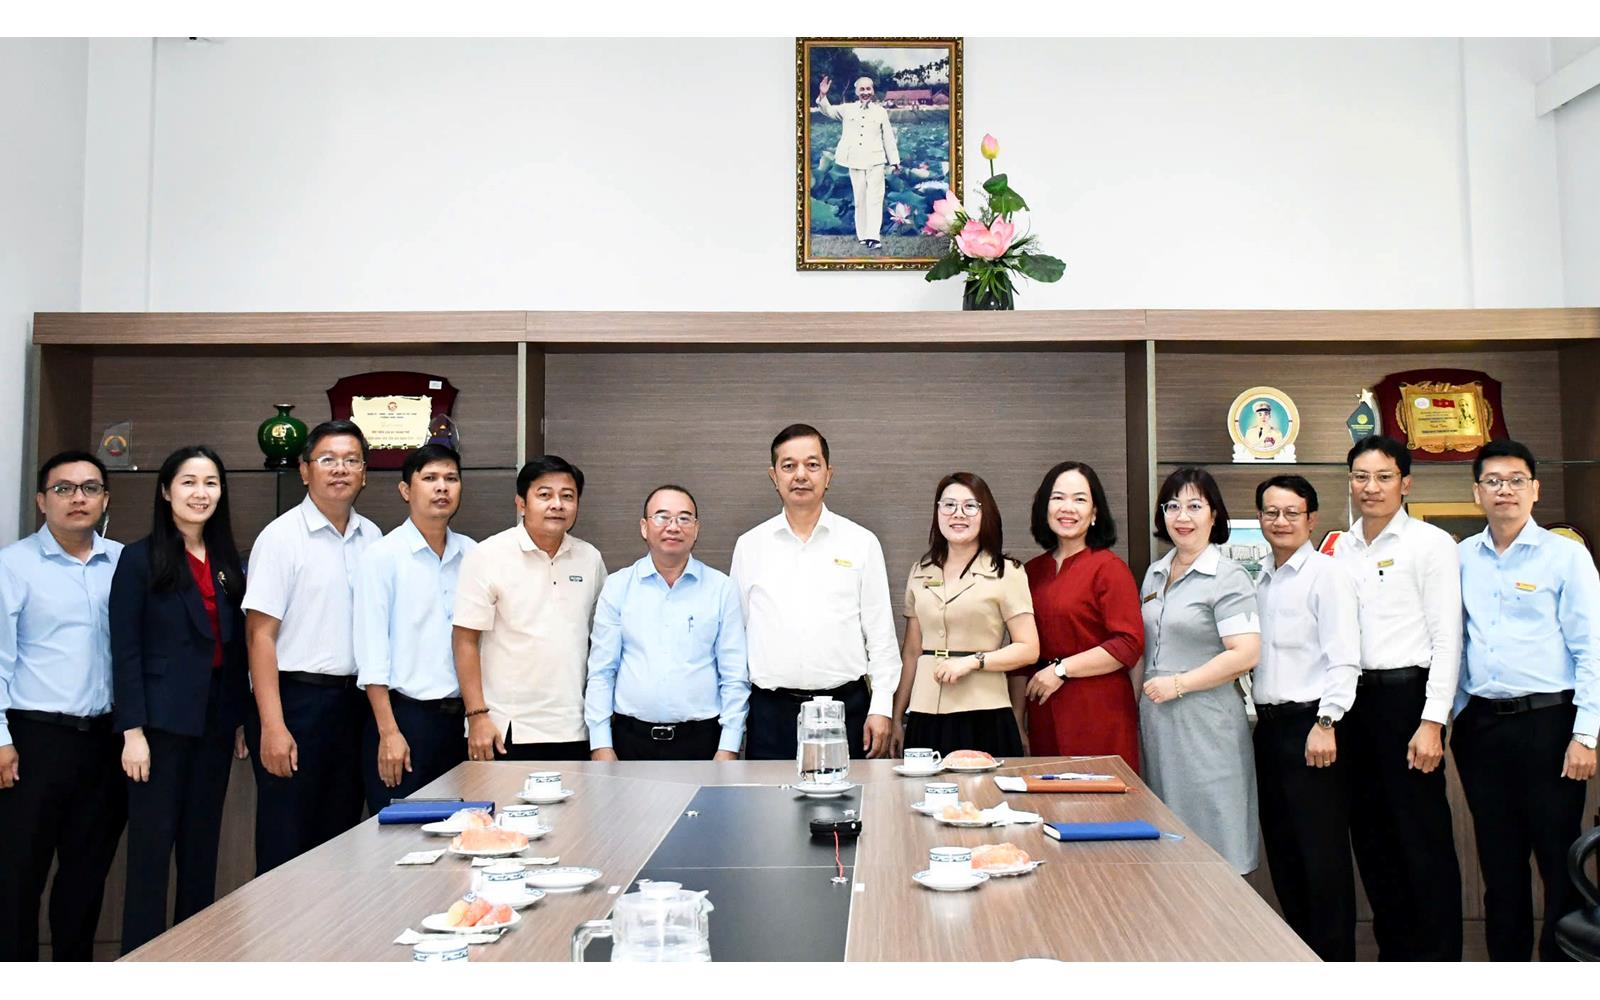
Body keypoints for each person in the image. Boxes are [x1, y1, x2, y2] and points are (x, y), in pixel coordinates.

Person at [1453, 439, 1599, 962]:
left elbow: (1591, 648)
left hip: (1550, 726)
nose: (1505, 490)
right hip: (1482, 729)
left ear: (1535, 489)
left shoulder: (1566, 556)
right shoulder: (1460, 558)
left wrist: (1586, 734)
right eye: (1493, 481)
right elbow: (1454, 641)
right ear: (1477, 492)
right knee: (1499, 864)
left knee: (1558, 861)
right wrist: (1453, 714)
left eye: (1516, 480)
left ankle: (1560, 976)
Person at [110, 445, 249, 954]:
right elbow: (125, 650)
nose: (200, 493)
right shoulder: (138, 558)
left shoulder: (227, 561)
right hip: (158, 728)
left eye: (210, 482)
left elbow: (235, 648)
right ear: (166, 491)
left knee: (200, 851)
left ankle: (196, 958)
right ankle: (142, 962)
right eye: (188, 482)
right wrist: (132, 731)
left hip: (214, 723)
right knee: (150, 856)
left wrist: (239, 718)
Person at [1332, 435, 1463, 960]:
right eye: (1361, 477)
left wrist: (1433, 721)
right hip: (1355, 706)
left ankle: (1438, 965)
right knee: (1373, 839)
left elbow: (1448, 638)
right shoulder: (1341, 546)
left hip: (1409, 703)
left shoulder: (1431, 543)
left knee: (1421, 840)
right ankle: (1395, 961)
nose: (1372, 487)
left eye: (1384, 477)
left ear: (1405, 483)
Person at [0, 453, 125, 962]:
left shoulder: (125, 563)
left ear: (105, 499)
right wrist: (1, 740)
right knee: (18, 878)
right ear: (41, 500)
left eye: (90, 488)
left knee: (86, 878)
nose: (78, 498)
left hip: (105, 743)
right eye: (64, 489)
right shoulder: (13, 565)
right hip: (34, 741)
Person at [242, 420, 381, 875]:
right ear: (304, 471)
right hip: (295, 705)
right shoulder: (280, 538)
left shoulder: (373, 538)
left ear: (364, 473)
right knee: (287, 842)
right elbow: (259, 636)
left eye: (351, 460)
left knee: (340, 843)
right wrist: (272, 726)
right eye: (327, 459)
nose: (340, 469)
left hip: (353, 707)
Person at [730, 424, 899, 761]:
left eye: (812, 464)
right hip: (770, 714)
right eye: (788, 465)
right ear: (774, 476)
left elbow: (881, 635)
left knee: (847, 796)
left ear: (828, 474)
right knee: (768, 797)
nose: (800, 475)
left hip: (846, 709)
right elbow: (736, 639)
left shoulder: (861, 542)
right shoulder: (750, 546)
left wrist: (881, 707)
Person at [1250, 475, 1360, 962]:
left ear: (1311, 519)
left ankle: (1334, 969)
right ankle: (1302, 963)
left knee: (1322, 859)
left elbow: (1345, 658)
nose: (1281, 521)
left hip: (1314, 729)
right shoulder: (1258, 579)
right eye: (1271, 512)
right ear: (1260, 518)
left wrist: (1327, 722)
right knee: (1285, 854)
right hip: (1268, 730)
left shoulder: (1327, 575)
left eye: (1292, 512)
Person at [1138, 467, 1262, 875]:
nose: (1182, 517)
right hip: (1159, 723)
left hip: (1207, 722)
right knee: (1167, 840)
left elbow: (1245, 653)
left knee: (1216, 835)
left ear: (1214, 514)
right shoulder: (1155, 573)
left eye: (1194, 506)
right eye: (1172, 506)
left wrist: (1179, 684)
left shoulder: (1228, 577)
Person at [453, 456, 605, 762]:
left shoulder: (589, 559)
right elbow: (464, 640)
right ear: (522, 503)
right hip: (507, 728)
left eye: (567, 496)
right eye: (545, 495)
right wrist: (477, 715)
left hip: (573, 727)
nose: (557, 504)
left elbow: (599, 641)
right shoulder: (487, 555)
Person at [354, 444, 476, 814]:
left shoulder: (473, 555)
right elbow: (372, 652)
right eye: (430, 478)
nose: (442, 487)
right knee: (401, 835)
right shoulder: (382, 556)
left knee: (462, 833)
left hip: (461, 723)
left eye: (451, 478)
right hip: (405, 721)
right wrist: (389, 732)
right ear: (406, 490)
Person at [585, 485, 748, 762]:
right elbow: (602, 671)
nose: (673, 527)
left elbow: (734, 676)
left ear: (696, 529)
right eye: (662, 517)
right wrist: (600, 744)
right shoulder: (618, 586)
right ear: (644, 527)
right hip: (630, 741)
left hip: (702, 741)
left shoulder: (721, 588)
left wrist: (729, 746)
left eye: (684, 518)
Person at [890, 473, 1037, 757]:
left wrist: (972, 662)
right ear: (937, 512)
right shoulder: (920, 571)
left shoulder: (1007, 572)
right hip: (925, 710)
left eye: (970, 506)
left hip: (984, 711)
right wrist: (897, 716)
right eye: (949, 505)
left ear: (986, 514)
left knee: (983, 786)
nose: (958, 514)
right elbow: (911, 652)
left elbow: (1028, 649)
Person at [1019, 461, 1145, 770]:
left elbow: (1128, 643)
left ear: (1094, 512)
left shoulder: (1109, 568)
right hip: (1043, 708)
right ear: (1045, 507)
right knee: (1047, 795)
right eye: (1058, 498)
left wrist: (1061, 670)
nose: (1068, 508)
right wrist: (1018, 720)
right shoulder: (1030, 572)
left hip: (1099, 710)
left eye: (1079, 499)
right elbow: (1021, 654)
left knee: (1099, 796)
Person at [815, 74, 902, 249]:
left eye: (868, 89)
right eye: (862, 89)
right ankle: (863, 236)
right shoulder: (847, 109)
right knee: (860, 198)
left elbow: (888, 137)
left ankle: (873, 237)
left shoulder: (880, 112)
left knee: (875, 198)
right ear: (856, 92)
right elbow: (828, 111)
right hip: (855, 160)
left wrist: (894, 161)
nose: (865, 92)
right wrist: (823, 95)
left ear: (873, 91)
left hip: (876, 160)